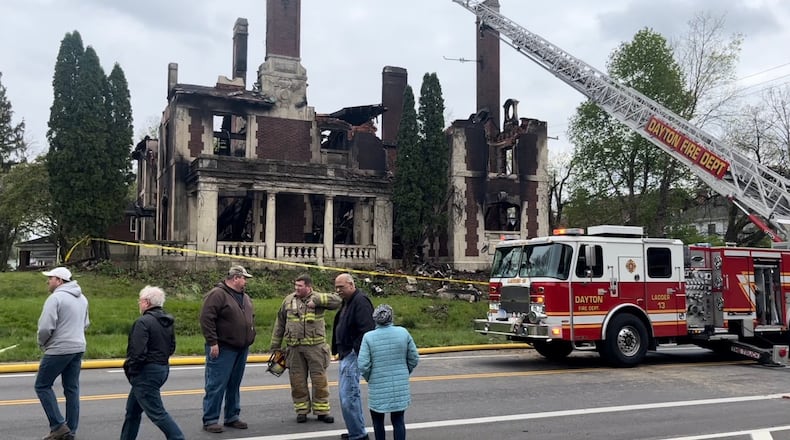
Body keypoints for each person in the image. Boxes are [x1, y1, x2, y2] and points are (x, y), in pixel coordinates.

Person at [271, 273, 342, 423]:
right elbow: (280, 323)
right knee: (297, 381)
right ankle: (301, 411)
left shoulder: (319, 298)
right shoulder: (288, 300)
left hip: (316, 349)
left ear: (308, 287)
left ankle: (322, 411)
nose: (296, 288)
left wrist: (316, 301)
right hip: (294, 349)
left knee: (319, 381)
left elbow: (338, 301)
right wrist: (275, 346)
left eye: (300, 286)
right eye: (295, 285)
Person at [120, 286, 185, 440]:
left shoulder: (143, 322)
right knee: (132, 412)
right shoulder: (167, 322)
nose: (139, 304)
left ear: (147, 302)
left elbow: (137, 352)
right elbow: (171, 347)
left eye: (140, 301)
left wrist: (132, 370)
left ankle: (177, 437)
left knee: (157, 412)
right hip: (161, 368)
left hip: (145, 373)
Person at [199, 265, 256, 433]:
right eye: (244, 278)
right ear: (235, 278)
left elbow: (250, 317)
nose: (245, 281)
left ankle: (232, 416)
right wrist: (212, 342)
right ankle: (210, 419)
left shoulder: (245, 297)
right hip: (223, 347)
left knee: (234, 384)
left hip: (241, 347)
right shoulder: (217, 294)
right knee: (216, 384)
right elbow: (206, 318)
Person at [35, 267, 90, 440]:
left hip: (59, 348)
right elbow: (86, 323)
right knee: (72, 389)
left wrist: (42, 342)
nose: (48, 281)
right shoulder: (82, 299)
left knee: (42, 385)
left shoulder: (56, 298)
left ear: (59, 281)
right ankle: (70, 430)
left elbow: (45, 327)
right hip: (78, 347)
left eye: (50, 278)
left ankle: (58, 426)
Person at [358, 305, 419, 440]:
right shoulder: (403, 333)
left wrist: (370, 378)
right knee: (398, 420)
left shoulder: (368, 337)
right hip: (399, 385)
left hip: (377, 386)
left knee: (378, 421)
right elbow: (414, 358)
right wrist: (404, 372)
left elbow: (363, 365)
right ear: (391, 317)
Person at [332, 273, 375, 440]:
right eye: (336, 287)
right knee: (345, 396)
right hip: (345, 353)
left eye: (341, 287)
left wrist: (353, 350)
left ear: (351, 285)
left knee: (348, 396)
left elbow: (367, 330)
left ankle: (358, 434)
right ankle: (355, 431)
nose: (338, 290)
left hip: (353, 354)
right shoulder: (347, 302)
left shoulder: (361, 302)